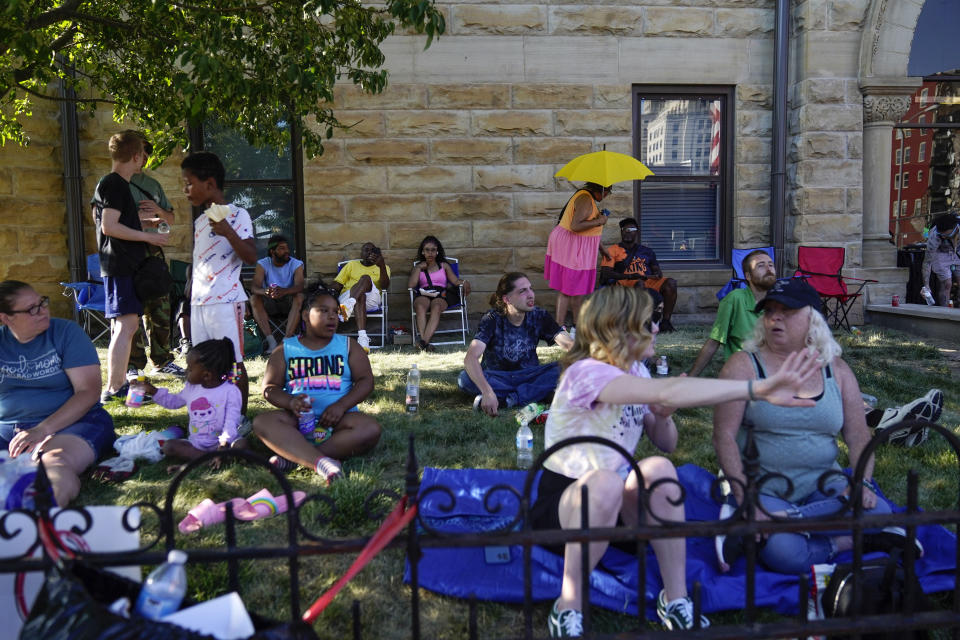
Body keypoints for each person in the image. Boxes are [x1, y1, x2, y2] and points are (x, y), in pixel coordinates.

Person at [533, 285, 821, 636]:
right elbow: (668, 391)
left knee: (659, 469)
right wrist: (757, 389)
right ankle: (568, 605)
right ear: (619, 327)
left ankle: (675, 598)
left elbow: (667, 443)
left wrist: (664, 415)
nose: (657, 327)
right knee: (606, 481)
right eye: (648, 320)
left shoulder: (638, 371)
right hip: (566, 508)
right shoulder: (586, 372)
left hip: (615, 513)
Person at [712, 278, 923, 575]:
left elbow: (858, 434)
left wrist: (861, 482)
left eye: (786, 310)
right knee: (784, 553)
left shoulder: (835, 369)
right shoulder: (742, 366)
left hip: (822, 487)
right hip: (763, 488)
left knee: (879, 510)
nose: (775, 317)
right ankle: (852, 537)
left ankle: (780, 524)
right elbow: (723, 436)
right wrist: (745, 498)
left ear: (813, 319)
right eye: (770, 310)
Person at [0, 281, 116, 506]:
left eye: (42, 302)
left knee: (54, 463)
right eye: (31, 309)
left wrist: (42, 430)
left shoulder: (66, 333)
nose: (43, 310)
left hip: (73, 422)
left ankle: (36, 518)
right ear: (6, 318)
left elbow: (88, 392)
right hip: (8, 428)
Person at [253, 285, 381, 484]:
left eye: (335, 312)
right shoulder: (286, 349)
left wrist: (341, 406)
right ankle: (321, 462)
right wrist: (291, 402)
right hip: (297, 422)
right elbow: (269, 388)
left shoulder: (347, 345)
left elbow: (366, 381)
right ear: (305, 315)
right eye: (323, 310)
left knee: (370, 428)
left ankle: (295, 457)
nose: (332, 317)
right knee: (262, 422)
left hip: (340, 422)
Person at [93, 131, 171, 403]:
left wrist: (145, 225)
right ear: (136, 156)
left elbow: (117, 222)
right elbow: (109, 227)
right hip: (120, 266)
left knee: (124, 326)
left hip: (124, 266)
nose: (144, 162)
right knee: (126, 326)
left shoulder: (115, 184)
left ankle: (115, 387)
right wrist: (149, 236)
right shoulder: (114, 184)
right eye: (143, 156)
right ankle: (113, 389)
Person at [181, 151, 257, 414]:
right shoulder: (201, 221)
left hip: (226, 302)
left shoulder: (238, 215)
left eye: (189, 182)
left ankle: (240, 416)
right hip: (200, 304)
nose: (185, 189)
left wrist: (227, 230)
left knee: (233, 364)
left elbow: (250, 255)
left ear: (210, 184)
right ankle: (209, 415)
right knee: (203, 362)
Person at [459, 272, 573, 417]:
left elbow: (568, 343)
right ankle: (538, 393)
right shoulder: (492, 319)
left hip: (530, 374)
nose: (531, 294)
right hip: (498, 377)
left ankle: (508, 400)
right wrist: (487, 391)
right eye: (522, 291)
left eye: (530, 288)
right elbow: (470, 358)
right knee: (464, 379)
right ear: (507, 299)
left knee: (568, 366)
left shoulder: (539, 315)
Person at [132, 338, 247, 473]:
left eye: (190, 369)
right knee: (169, 447)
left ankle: (212, 458)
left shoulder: (230, 391)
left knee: (241, 444)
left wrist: (224, 444)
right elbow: (174, 402)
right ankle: (211, 460)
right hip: (197, 444)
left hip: (223, 444)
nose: (186, 371)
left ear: (207, 375)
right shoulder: (191, 388)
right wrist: (153, 391)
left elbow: (231, 422)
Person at [687, 249, 776, 376]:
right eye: (760, 265)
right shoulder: (735, 299)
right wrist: (691, 378)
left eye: (771, 265)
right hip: (744, 371)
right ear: (748, 276)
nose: (768, 268)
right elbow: (714, 341)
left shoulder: (780, 301)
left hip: (774, 371)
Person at [544, 182, 611, 330]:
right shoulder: (585, 199)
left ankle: (576, 326)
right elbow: (576, 226)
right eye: (608, 191)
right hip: (571, 245)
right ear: (601, 189)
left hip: (576, 246)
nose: (607, 195)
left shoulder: (588, 199)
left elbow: (589, 231)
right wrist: (600, 220)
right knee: (567, 288)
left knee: (577, 288)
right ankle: (559, 328)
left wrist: (602, 249)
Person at [599, 217, 678, 332]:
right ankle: (641, 324)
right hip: (625, 283)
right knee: (639, 284)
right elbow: (606, 273)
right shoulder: (613, 250)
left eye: (632, 228)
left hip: (646, 280)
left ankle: (665, 322)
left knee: (671, 283)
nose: (628, 231)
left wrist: (656, 274)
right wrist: (631, 276)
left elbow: (657, 271)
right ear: (621, 231)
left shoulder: (647, 251)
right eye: (625, 229)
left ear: (637, 232)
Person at [406, 235, 470, 352]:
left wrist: (465, 282)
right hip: (424, 293)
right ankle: (426, 343)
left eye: (433, 250)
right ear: (423, 252)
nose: (430, 253)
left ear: (437, 251)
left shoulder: (443, 265)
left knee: (436, 306)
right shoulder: (418, 267)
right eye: (427, 250)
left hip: (441, 294)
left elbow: (455, 281)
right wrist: (419, 267)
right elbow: (411, 285)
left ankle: (423, 342)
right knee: (420, 306)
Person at [250, 234, 306, 353]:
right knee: (254, 299)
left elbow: (300, 286)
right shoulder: (263, 264)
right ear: (272, 251)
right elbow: (254, 287)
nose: (287, 251)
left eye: (287, 247)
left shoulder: (296, 264)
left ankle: (285, 341)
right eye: (281, 248)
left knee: (300, 297)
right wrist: (265, 291)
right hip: (270, 302)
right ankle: (271, 342)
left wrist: (284, 291)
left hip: (289, 302)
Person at [331, 242, 390, 352]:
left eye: (372, 251)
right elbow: (337, 284)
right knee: (360, 296)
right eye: (366, 250)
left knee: (366, 278)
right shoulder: (352, 265)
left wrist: (381, 266)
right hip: (348, 296)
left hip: (372, 300)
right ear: (361, 253)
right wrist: (329, 292)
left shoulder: (383, 267)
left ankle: (348, 306)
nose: (369, 253)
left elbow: (385, 286)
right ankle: (363, 338)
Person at [921, 211, 960, 306]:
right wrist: (926, 285)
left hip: (957, 250)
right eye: (941, 235)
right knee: (947, 283)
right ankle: (944, 309)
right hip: (940, 253)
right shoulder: (934, 236)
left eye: (946, 235)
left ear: (955, 229)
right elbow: (927, 262)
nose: (943, 236)